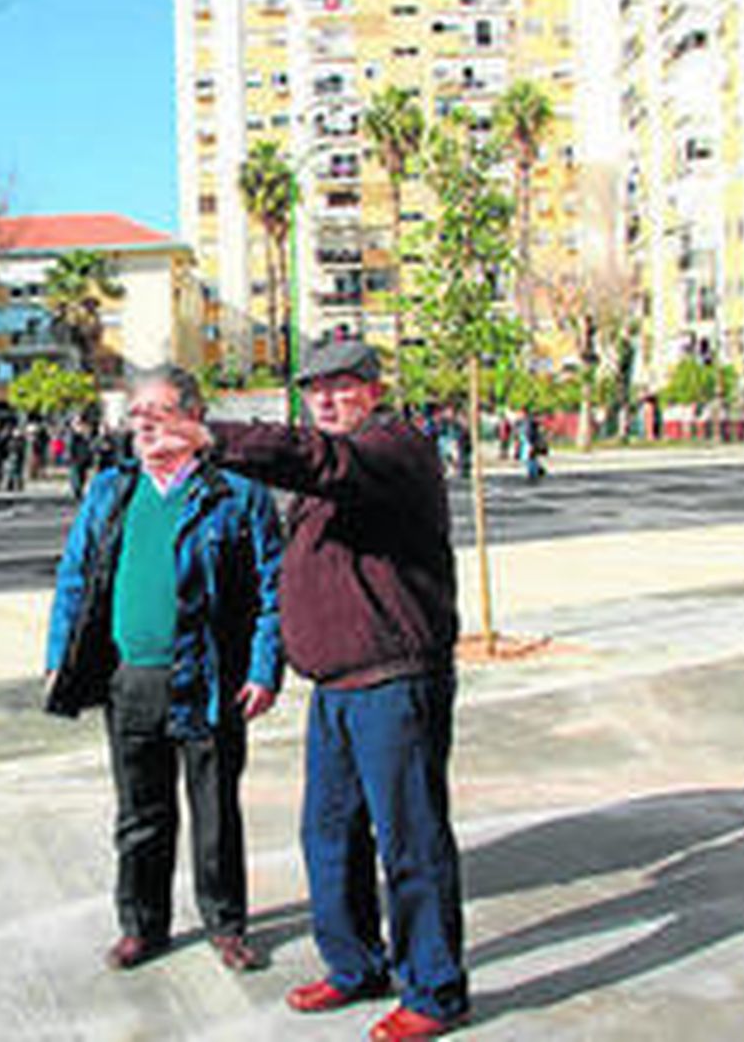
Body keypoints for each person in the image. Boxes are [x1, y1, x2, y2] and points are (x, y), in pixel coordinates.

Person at [168, 339, 468, 1041]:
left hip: (394, 681)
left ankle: (434, 989)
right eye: (314, 389)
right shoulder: (326, 478)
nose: (327, 400)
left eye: (341, 387)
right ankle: (355, 963)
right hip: (335, 687)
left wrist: (215, 437)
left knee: (411, 841)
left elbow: (323, 461)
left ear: (372, 390)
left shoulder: (395, 449)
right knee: (328, 834)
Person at [45, 365, 284, 977]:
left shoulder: (237, 492)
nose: (144, 423)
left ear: (195, 418)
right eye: (136, 413)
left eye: (158, 410)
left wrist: (263, 668)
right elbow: (75, 580)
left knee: (214, 812)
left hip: (209, 680)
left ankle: (226, 926)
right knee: (140, 815)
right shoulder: (110, 490)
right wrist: (59, 659)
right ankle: (141, 926)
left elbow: (270, 591)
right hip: (131, 681)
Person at [518, 410, 547, 483]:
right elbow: (528, 433)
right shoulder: (530, 422)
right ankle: (534, 473)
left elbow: (532, 433)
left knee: (531, 459)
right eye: (538, 417)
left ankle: (534, 473)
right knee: (530, 459)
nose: (540, 419)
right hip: (530, 443)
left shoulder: (530, 422)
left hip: (531, 443)